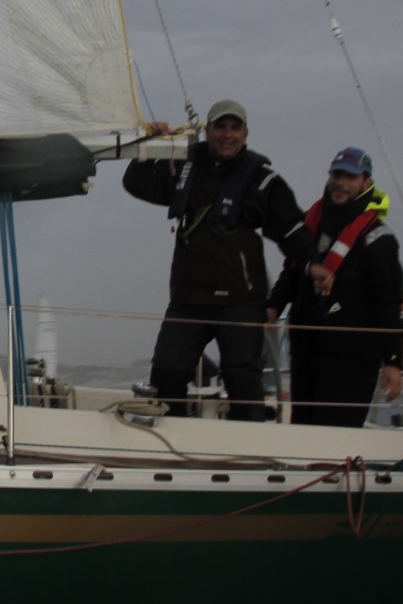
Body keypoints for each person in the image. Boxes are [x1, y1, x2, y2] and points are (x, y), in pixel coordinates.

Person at [124, 100, 325, 421]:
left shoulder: (262, 180)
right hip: (187, 300)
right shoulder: (185, 167)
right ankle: (174, 437)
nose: (227, 135)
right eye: (220, 127)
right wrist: (151, 144)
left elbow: (291, 228)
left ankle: (248, 443)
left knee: (242, 378)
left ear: (245, 133)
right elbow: (137, 183)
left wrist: (312, 263)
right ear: (208, 130)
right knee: (166, 371)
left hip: (241, 301)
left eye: (234, 128)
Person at [267, 146, 403, 427]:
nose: (341, 182)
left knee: (338, 434)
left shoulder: (379, 239)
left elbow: (389, 304)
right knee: (303, 430)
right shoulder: (309, 223)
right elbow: (291, 272)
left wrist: (393, 361)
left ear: (366, 182)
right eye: (337, 175)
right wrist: (273, 307)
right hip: (305, 350)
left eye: (350, 177)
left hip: (352, 359)